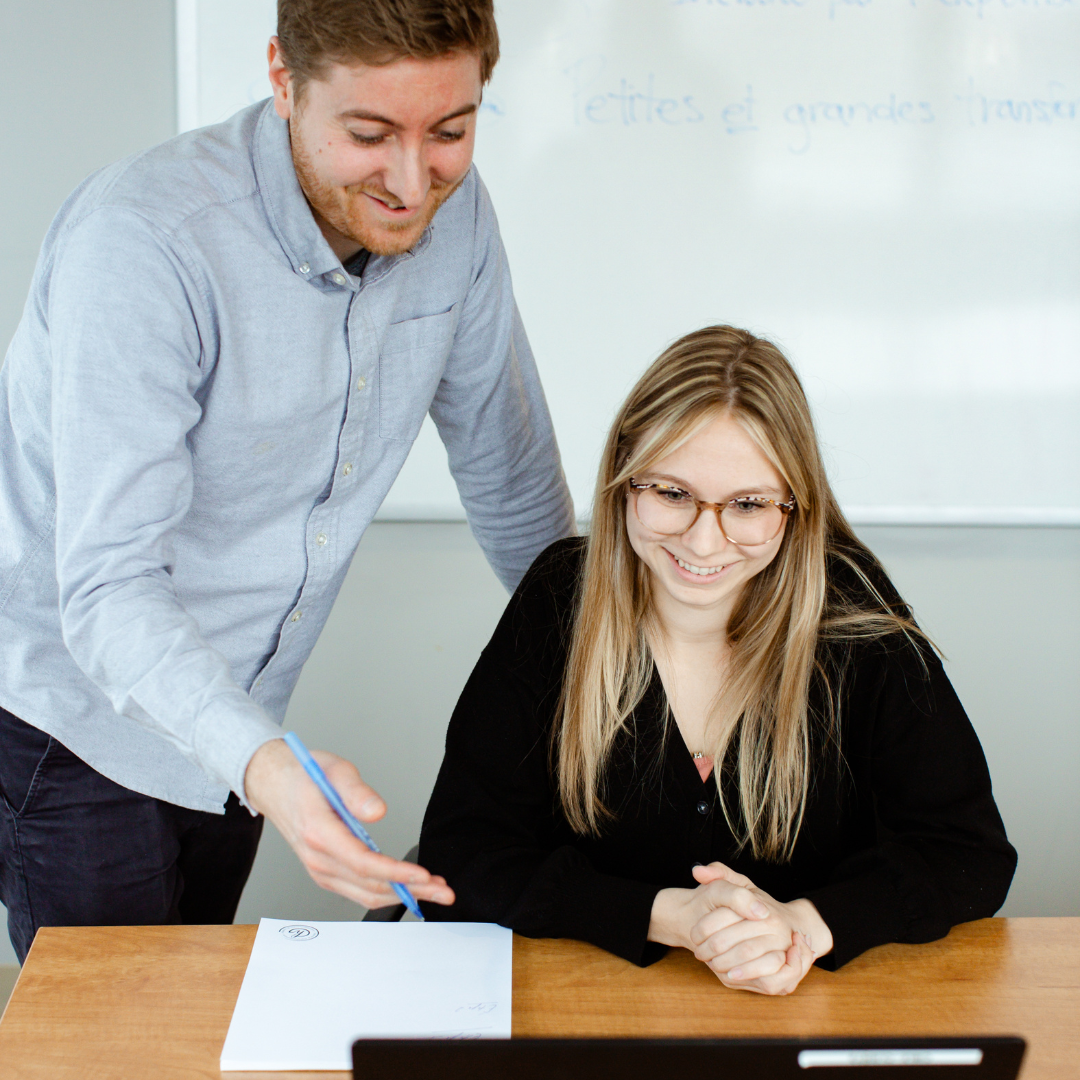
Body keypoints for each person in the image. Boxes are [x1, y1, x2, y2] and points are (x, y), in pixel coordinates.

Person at [0, 0, 575, 963]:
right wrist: (267, 766)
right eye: (369, 133)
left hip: (243, 716)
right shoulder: (146, 243)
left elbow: (511, 476)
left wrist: (615, 670)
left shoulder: (458, 215)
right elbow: (107, 590)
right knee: (124, 1054)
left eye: (450, 131)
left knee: (195, 1028)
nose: (411, 181)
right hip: (77, 726)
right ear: (282, 77)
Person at [418, 325, 1016, 995]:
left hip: (802, 1017)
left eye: (749, 505)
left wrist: (803, 927)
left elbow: (966, 854)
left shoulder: (853, 617)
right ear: (623, 479)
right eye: (672, 494)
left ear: (795, 508)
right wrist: (673, 917)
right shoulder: (561, 600)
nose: (704, 542)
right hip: (591, 1009)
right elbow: (463, 849)